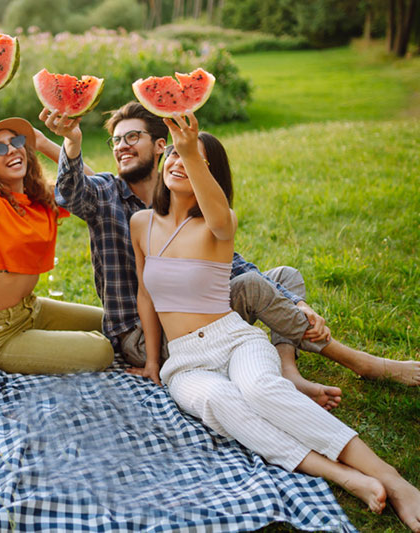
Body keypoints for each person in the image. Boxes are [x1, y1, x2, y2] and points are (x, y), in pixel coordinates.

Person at [130, 112, 420, 530]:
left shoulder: (218, 224)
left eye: (193, 160)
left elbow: (216, 213)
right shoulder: (142, 224)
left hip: (232, 339)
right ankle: (343, 475)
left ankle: (391, 477)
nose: (178, 161)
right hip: (186, 361)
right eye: (172, 153)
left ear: (212, 176)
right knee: (220, 402)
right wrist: (154, 362)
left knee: (261, 389)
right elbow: (145, 294)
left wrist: (193, 151)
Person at [44, 102, 419, 408]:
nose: (121, 145)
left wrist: (293, 303)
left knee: (283, 276)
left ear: (162, 146)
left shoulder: (183, 193)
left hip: (198, 315)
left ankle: (288, 369)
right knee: (255, 287)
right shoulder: (104, 194)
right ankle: (363, 363)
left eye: (132, 137)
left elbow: (226, 261)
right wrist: (72, 143)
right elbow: (71, 192)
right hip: (145, 336)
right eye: (114, 140)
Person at [0, 71, 114, 374]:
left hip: (32, 309)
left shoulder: (40, 199)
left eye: (16, 142)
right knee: (103, 350)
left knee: (114, 321)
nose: (11, 149)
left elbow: (99, 188)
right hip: (1, 332)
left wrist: (45, 142)